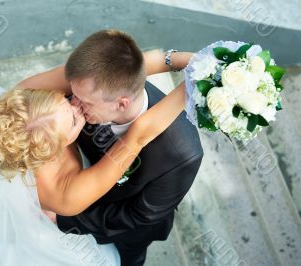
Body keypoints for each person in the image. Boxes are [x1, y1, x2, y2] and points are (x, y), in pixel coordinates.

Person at [0, 35, 191, 265]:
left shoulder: (26, 98)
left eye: (66, 101)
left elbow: (103, 75)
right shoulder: (65, 196)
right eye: (75, 118)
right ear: (54, 150)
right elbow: (141, 134)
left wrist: (183, 60)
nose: (77, 104)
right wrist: (197, 80)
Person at [18, 29, 204, 266]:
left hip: (125, 229)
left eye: (83, 103)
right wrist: (187, 65)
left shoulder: (182, 154)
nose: (71, 104)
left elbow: (139, 215)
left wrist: (65, 221)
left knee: (131, 258)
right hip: (72, 192)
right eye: (72, 94)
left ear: (121, 103)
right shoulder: (82, 91)